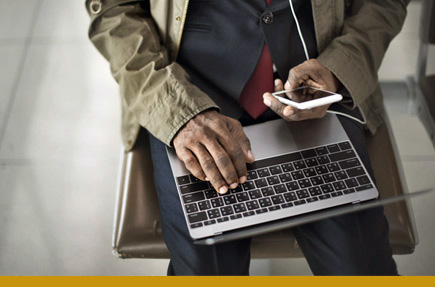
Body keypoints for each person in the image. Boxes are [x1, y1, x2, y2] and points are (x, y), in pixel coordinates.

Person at [86, 0, 409, 275]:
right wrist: (176, 110)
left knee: (360, 262)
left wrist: (339, 68)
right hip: (185, 88)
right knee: (206, 269)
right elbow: (114, 10)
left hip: (314, 85)